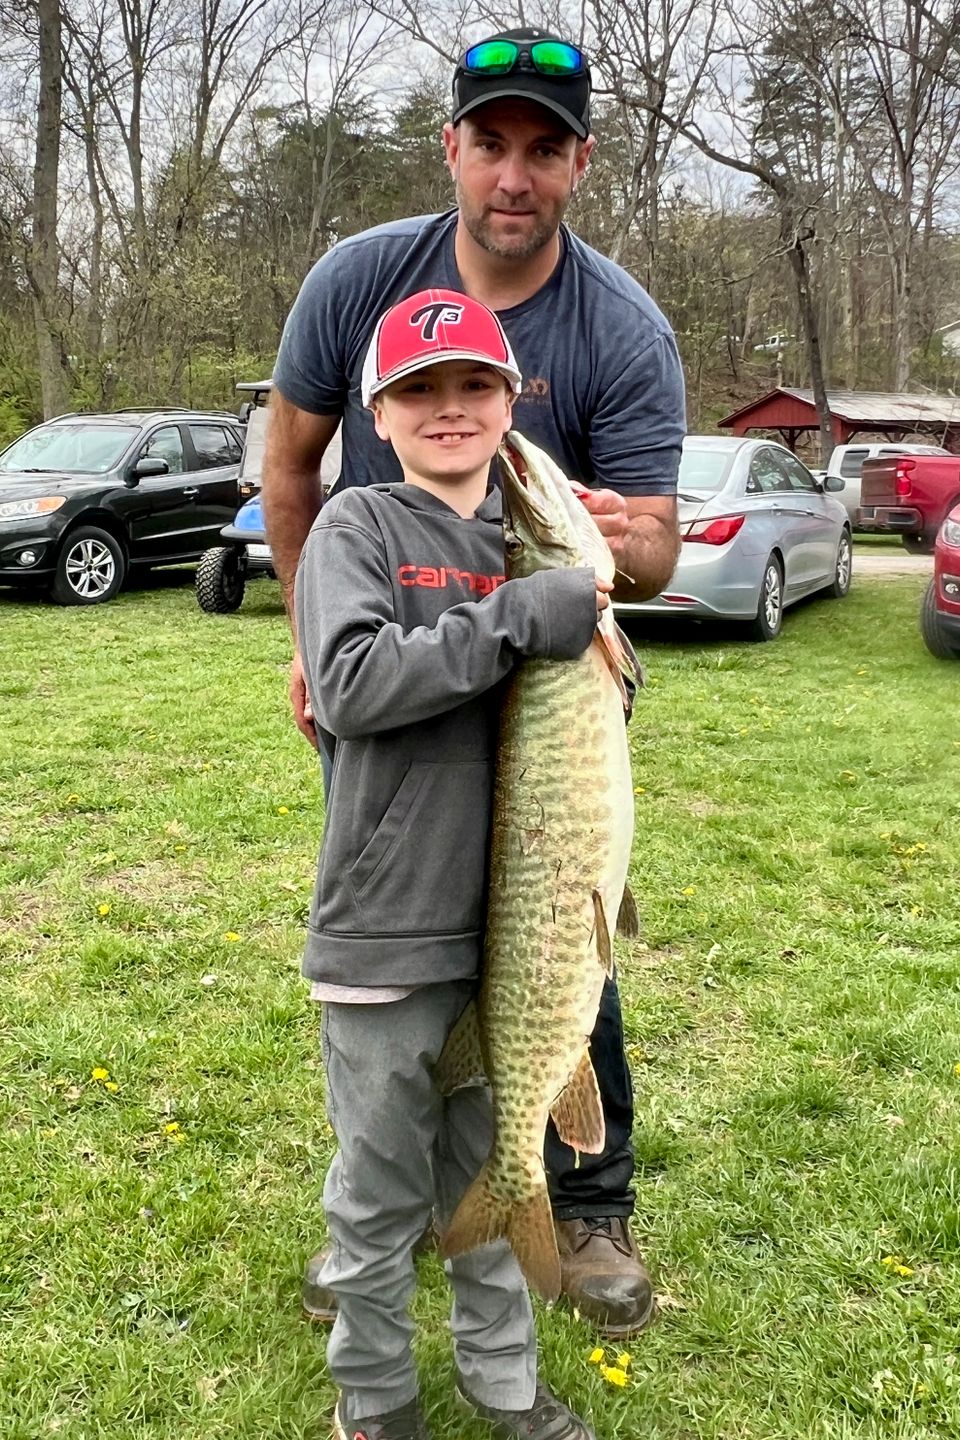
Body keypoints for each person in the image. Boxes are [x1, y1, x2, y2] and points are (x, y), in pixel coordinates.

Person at [263, 26, 685, 1337]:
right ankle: (385, 1207)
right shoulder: (357, 280)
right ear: (451, 146)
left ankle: (590, 1196)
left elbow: (661, 549)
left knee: (568, 934)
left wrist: (629, 543)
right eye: (490, 141)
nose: (514, 173)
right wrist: (304, 634)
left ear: (579, 163)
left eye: (543, 149)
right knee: (406, 950)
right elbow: (290, 467)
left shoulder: (620, 326)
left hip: (556, 687)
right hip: (404, 675)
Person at [298, 287, 609, 1440]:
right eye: (418, 390)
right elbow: (353, 684)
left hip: (509, 948)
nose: (448, 409)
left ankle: (509, 1390)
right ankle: (374, 1403)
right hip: (383, 938)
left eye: (473, 385)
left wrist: (579, 615)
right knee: (378, 1202)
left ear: (508, 400)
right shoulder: (358, 531)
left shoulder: (524, 539)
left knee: (493, 1170)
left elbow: (590, 702)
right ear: (379, 412)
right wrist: (524, 614)